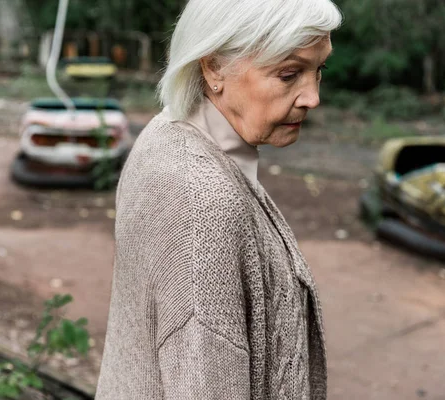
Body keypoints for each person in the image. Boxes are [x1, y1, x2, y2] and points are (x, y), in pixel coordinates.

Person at [96, 0, 343, 398]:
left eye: (319, 71)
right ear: (213, 68)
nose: (312, 97)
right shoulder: (205, 207)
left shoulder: (165, 132)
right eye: (289, 74)